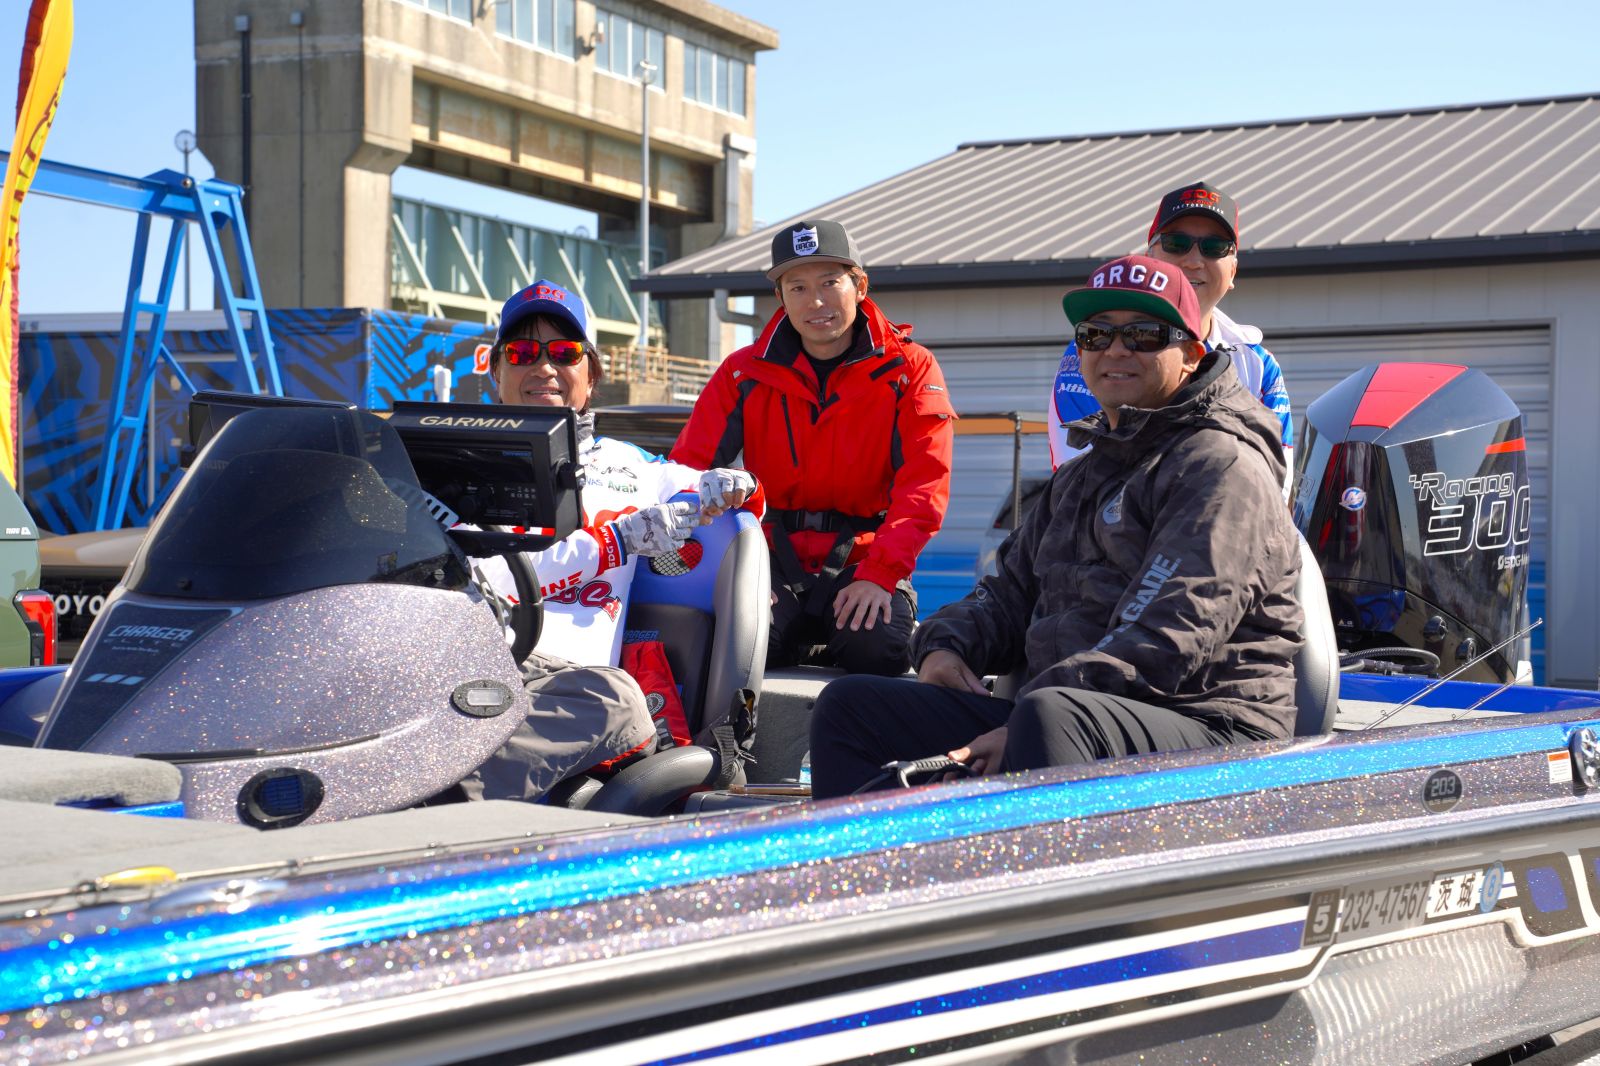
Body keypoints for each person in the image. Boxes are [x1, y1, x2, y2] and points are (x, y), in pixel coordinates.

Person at [808, 254, 1302, 800]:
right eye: (1096, 334)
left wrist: (1022, 725)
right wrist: (944, 649)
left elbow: (1168, 632)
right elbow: (1006, 595)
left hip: (1214, 726)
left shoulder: (1220, 466)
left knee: (1046, 717)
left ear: (1190, 354)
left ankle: (1025, 855)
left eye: (1143, 334)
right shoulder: (1082, 475)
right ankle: (884, 857)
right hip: (1074, 711)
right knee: (852, 707)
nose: (1116, 350)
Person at [461, 279, 764, 803]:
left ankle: (441, 802)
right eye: (523, 353)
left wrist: (741, 486)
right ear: (497, 371)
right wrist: (616, 542)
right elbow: (488, 580)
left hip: (568, 687)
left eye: (564, 352)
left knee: (617, 700)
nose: (544, 367)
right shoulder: (459, 466)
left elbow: (741, 501)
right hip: (473, 665)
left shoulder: (634, 468)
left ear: (592, 374)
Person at [671, 219, 956, 676]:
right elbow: (684, 476)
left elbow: (925, 484)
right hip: (767, 554)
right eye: (798, 287)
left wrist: (881, 574)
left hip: (863, 556)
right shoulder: (743, 372)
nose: (816, 301)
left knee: (878, 646)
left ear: (860, 286)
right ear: (780, 297)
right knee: (739, 642)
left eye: (830, 283)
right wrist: (726, 570)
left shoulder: (909, 368)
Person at [1048, 183, 1294, 488]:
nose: (1193, 261)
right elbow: (1081, 475)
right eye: (1177, 243)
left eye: (1214, 247)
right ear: (1149, 257)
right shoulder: (1093, 349)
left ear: (1232, 271)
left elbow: (1277, 478)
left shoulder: (1258, 362)